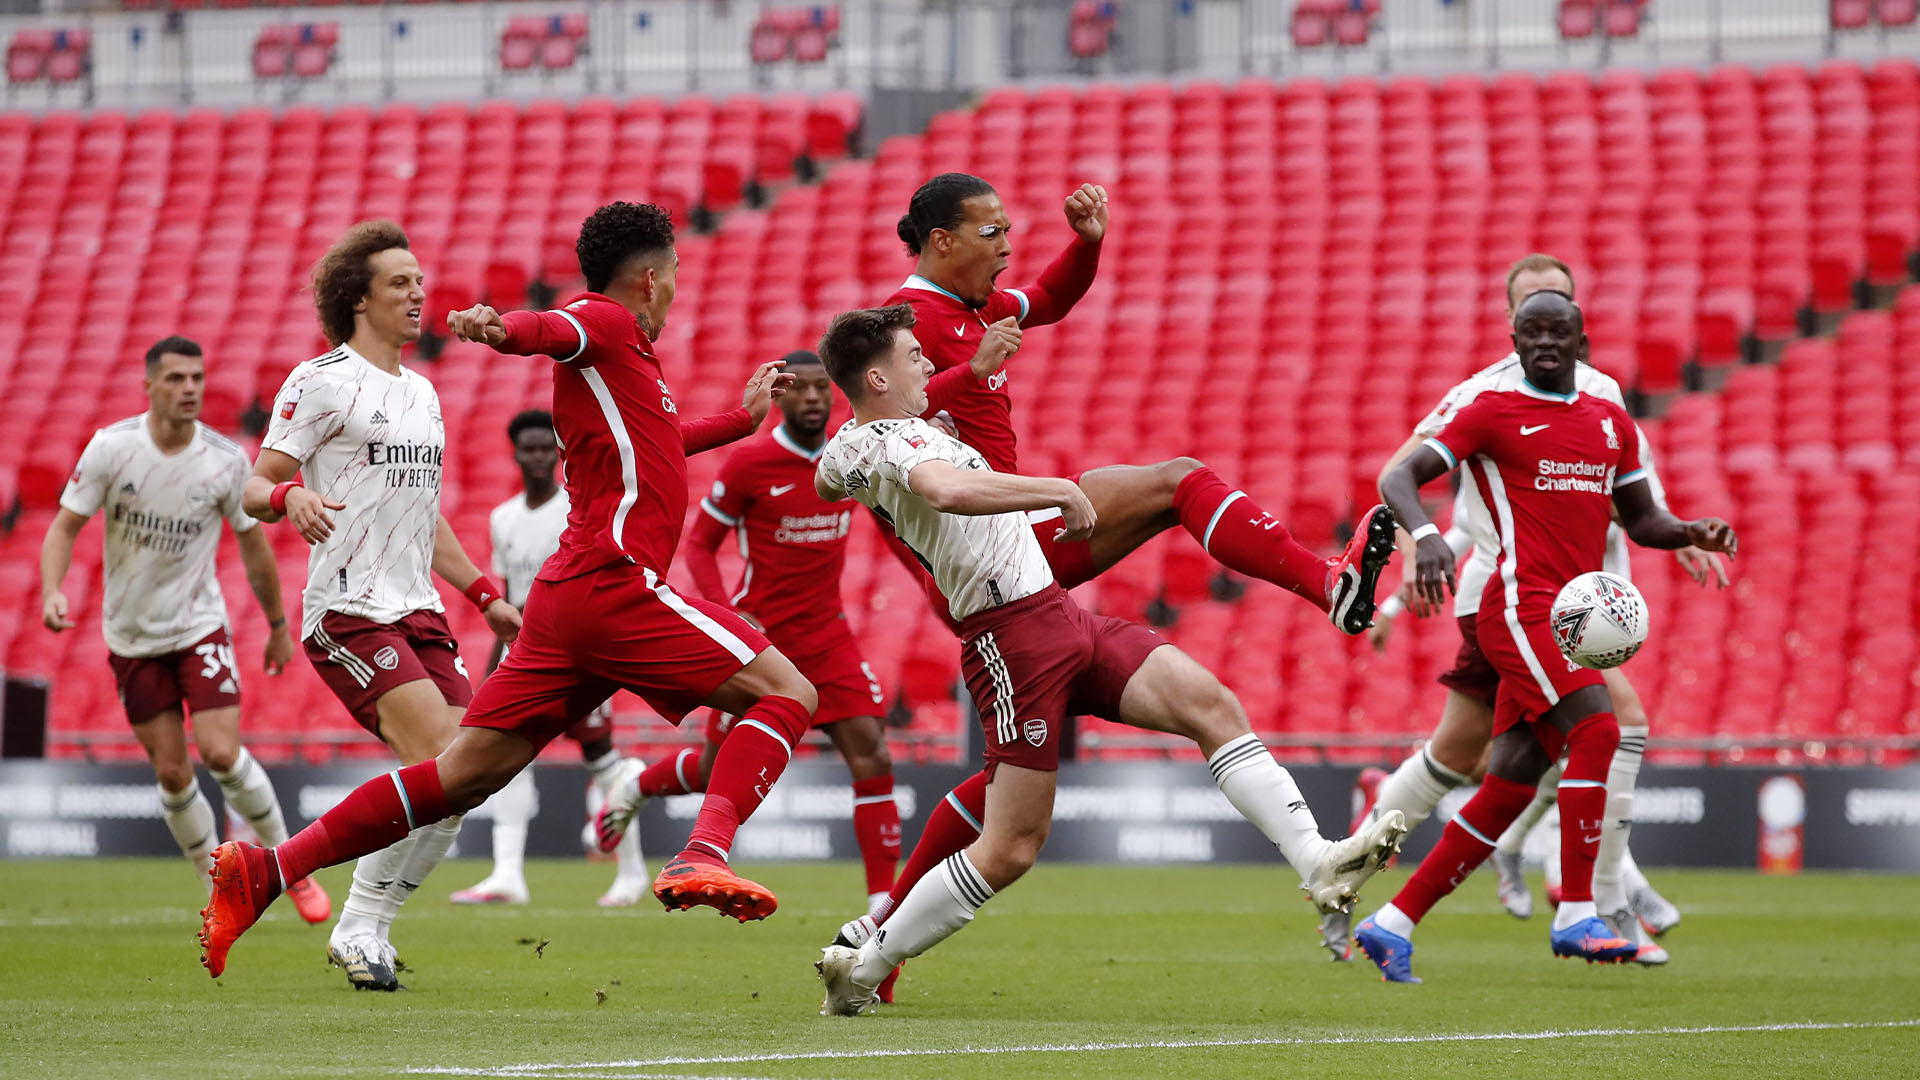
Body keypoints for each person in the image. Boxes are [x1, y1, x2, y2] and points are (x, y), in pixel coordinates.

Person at [198, 201, 808, 981]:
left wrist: (740, 420)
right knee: (788, 692)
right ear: (652, 278)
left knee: (461, 776)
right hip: (609, 583)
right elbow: (559, 328)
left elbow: (658, 440)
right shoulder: (610, 325)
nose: (679, 289)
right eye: (677, 275)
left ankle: (267, 871)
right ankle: (703, 850)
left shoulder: (615, 375)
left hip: (557, 602)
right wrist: (502, 329)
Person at [845, 174, 1399, 961]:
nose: (1007, 243)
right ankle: (1328, 588)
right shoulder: (905, 329)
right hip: (989, 560)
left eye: (1010, 227)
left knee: (1016, 783)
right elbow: (876, 434)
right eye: (991, 230)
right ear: (941, 242)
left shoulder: (980, 310)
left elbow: (1052, 298)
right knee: (1176, 481)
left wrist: (1089, 243)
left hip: (1022, 550)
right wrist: (967, 376)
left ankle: (877, 937)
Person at [1326, 254, 1718, 964]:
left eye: (1556, 325)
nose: (1543, 339)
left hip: (1574, 610)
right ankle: (1582, 908)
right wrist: (1421, 544)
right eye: (1529, 326)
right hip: (1515, 603)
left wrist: (1688, 532)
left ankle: (1392, 922)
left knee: (1501, 780)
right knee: (1602, 727)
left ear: (1580, 338)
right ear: (1512, 334)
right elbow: (1400, 473)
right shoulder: (1488, 406)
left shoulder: (1608, 417)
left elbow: (1641, 516)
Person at [238, 221, 522, 990]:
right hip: (349, 608)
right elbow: (254, 484)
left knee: (468, 779)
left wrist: (484, 594)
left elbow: (420, 512)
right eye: (400, 283)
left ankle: (364, 927)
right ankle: (348, 916)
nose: (418, 294)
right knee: (440, 759)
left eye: (420, 281)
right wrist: (290, 494)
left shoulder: (422, 392)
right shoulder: (320, 379)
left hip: (420, 608)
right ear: (358, 299)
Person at [39, 336, 329, 924]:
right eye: (175, 379)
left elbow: (254, 548)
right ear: (149, 386)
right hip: (131, 637)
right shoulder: (111, 449)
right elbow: (65, 526)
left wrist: (276, 625)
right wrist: (51, 588)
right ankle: (219, 886)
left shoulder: (223, 461)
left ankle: (289, 870)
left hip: (199, 627)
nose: (189, 388)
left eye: (196, 377)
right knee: (172, 773)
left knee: (222, 752)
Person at [612, 350, 900, 915]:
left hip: (828, 636)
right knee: (714, 770)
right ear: (781, 395)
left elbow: (894, 531)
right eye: (802, 389)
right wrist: (728, 616)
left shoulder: (850, 457)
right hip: (763, 643)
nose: (815, 398)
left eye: (824, 388)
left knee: (873, 753)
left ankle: (882, 910)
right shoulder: (751, 465)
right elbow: (698, 544)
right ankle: (640, 786)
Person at [449, 409, 649, 909]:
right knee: (508, 762)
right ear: (515, 453)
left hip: (578, 653)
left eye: (546, 448)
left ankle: (632, 871)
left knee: (602, 760)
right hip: (528, 655)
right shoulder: (503, 519)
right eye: (529, 448)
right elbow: (509, 603)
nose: (538, 457)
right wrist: (495, 668)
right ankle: (507, 875)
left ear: (557, 455)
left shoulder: (573, 513)